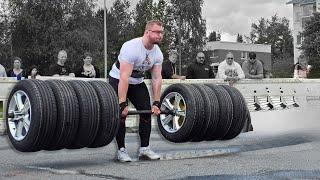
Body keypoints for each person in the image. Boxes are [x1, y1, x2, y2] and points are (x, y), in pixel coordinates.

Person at [108, 20, 163, 162]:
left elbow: (156, 78)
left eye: (161, 32)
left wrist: (157, 102)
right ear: (147, 32)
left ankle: (144, 149)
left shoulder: (157, 53)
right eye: (157, 32)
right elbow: (124, 77)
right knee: (121, 115)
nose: (160, 35)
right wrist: (122, 104)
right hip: (118, 79)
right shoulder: (131, 47)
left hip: (137, 82)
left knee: (146, 110)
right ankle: (121, 150)